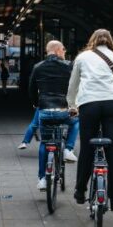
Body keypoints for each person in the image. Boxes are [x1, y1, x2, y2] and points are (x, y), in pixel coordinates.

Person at [67, 29, 113, 211]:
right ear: (110, 41)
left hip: (89, 103)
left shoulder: (82, 57)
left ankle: (80, 191)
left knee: (87, 147)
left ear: (92, 40)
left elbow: (73, 84)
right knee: (112, 150)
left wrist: (72, 104)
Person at [28, 40, 80, 190]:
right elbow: (76, 86)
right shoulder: (69, 66)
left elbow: (31, 89)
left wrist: (36, 104)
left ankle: (42, 179)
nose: (65, 52)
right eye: (63, 49)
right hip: (64, 110)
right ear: (57, 50)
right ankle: (68, 149)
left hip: (45, 111)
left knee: (45, 142)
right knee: (76, 121)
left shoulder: (37, 67)